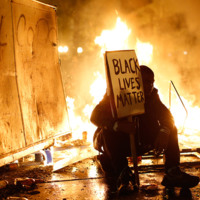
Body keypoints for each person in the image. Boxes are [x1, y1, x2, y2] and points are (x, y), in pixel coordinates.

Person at [90, 65, 199, 193]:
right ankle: (123, 174)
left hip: (140, 142)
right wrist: (117, 125)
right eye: (145, 81)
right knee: (108, 132)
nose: (150, 85)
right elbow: (95, 116)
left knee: (171, 129)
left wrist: (164, 132)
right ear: (135, 81)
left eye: (152, 82)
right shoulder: (116, 95)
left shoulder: (152, 96)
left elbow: (167, 116)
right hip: (118, 146)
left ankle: (172, 172)